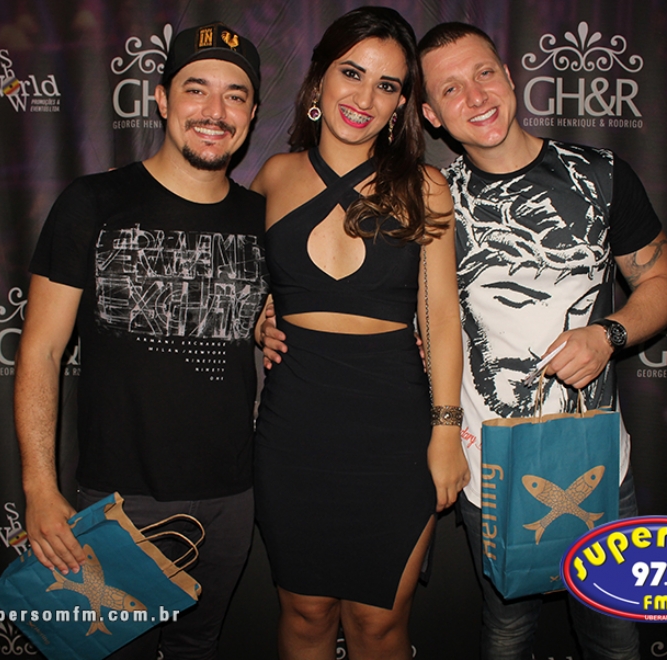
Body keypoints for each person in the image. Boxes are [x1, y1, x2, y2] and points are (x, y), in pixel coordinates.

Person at [416, 22, 667, 660]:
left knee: (615, 636)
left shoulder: (600, 174)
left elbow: (665, 283)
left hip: (598, 462)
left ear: (510, 77)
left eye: (484, 73)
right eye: (451, 89)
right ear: (430, 115)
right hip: (488, 466)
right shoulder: (433, 200)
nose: (475, 96)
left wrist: (609, 333)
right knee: (506, 633)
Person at [13, 22, 268, 660]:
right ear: (160, 99)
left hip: (231, 499)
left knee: (196, 647)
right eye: (196, 89)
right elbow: (41, 351)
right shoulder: (93, 201)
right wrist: (39, 488)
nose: (215, 111)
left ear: (252, 113)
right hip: (120, 502)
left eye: (235, 95)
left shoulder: (262, 219)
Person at [249, 7, 468, 660]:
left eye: (387, 84)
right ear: (320, 78)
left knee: (379, 624)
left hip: (394, 432)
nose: (365, 97)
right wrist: (257, 318)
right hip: (294, 429)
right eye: (352, 73)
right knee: (306, 614)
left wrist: (446, 432)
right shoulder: (272, 177)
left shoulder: (425, 187)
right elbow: (238, 290)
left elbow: (441, 317)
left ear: (402, 104)